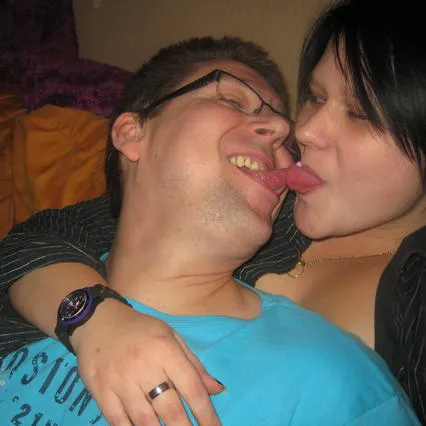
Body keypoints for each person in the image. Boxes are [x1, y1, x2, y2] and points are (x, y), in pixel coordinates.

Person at [1, 0, 426, 422]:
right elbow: (39, 237)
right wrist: (95, 319)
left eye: (361, 113)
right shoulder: (268, 197)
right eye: (315, 97)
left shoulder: (396, 320)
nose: (301, 130)